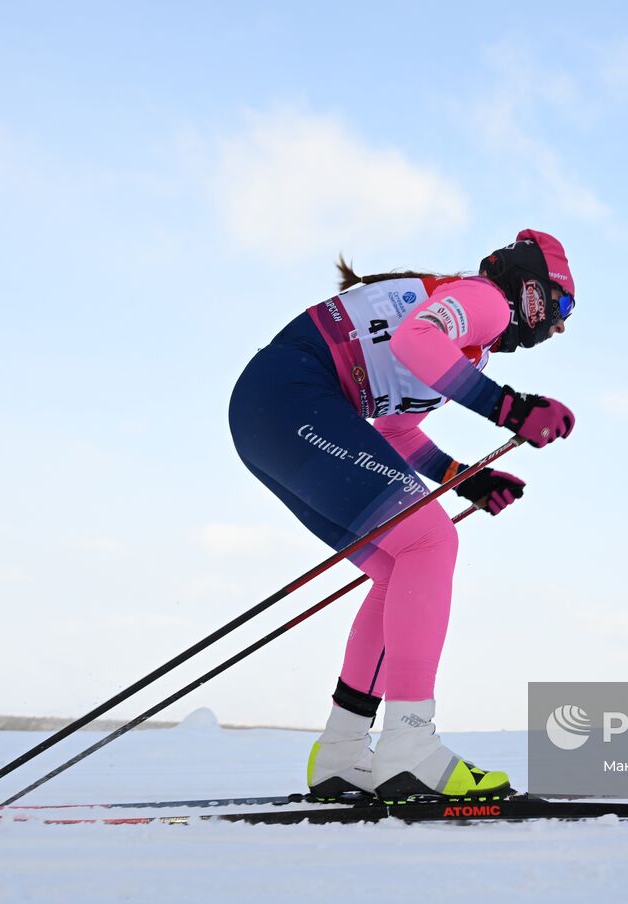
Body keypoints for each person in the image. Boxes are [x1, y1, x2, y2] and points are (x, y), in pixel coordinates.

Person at [228, 230, 577, 801]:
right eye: (561, 307)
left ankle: (341, 753)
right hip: (293, 398)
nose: (559, 326)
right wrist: (508, 408)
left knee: (399, 566)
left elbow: (397, 431)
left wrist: (466, 476)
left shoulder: (467, 337)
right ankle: (410, 747)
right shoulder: (486, 301)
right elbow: (417, 341)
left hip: (274, 412)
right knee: (430, 543)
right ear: (530, 290)